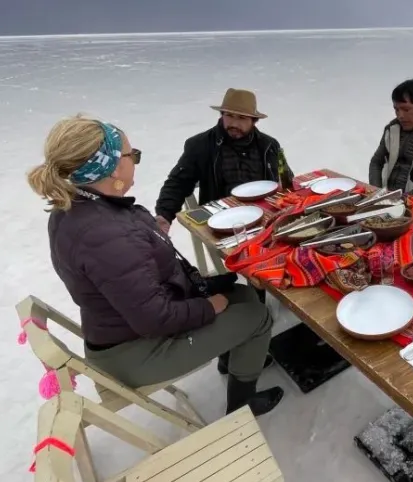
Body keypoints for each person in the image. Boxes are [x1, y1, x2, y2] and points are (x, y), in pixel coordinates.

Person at [27, 115, 283, 416]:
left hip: (121, 329)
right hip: (137, 352)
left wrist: (203, 285)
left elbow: (142, 279)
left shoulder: (80, 207)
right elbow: (154, 318)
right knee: (256, 315)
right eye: (131, 154)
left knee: (241, 294)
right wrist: (207, 306)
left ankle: (234, 357)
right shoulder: (105, 235)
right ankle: (242, 407)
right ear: (109, 166)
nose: (135, 160)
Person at [154, 88, 294, 234]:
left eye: (241, 118)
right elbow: (178, 182)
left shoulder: (268, 145)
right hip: (221, 223)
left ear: (254, 121)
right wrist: (164, 214)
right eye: (229, 116)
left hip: (266, 219)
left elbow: (286, 181)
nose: (234, 123)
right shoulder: (201, 145)